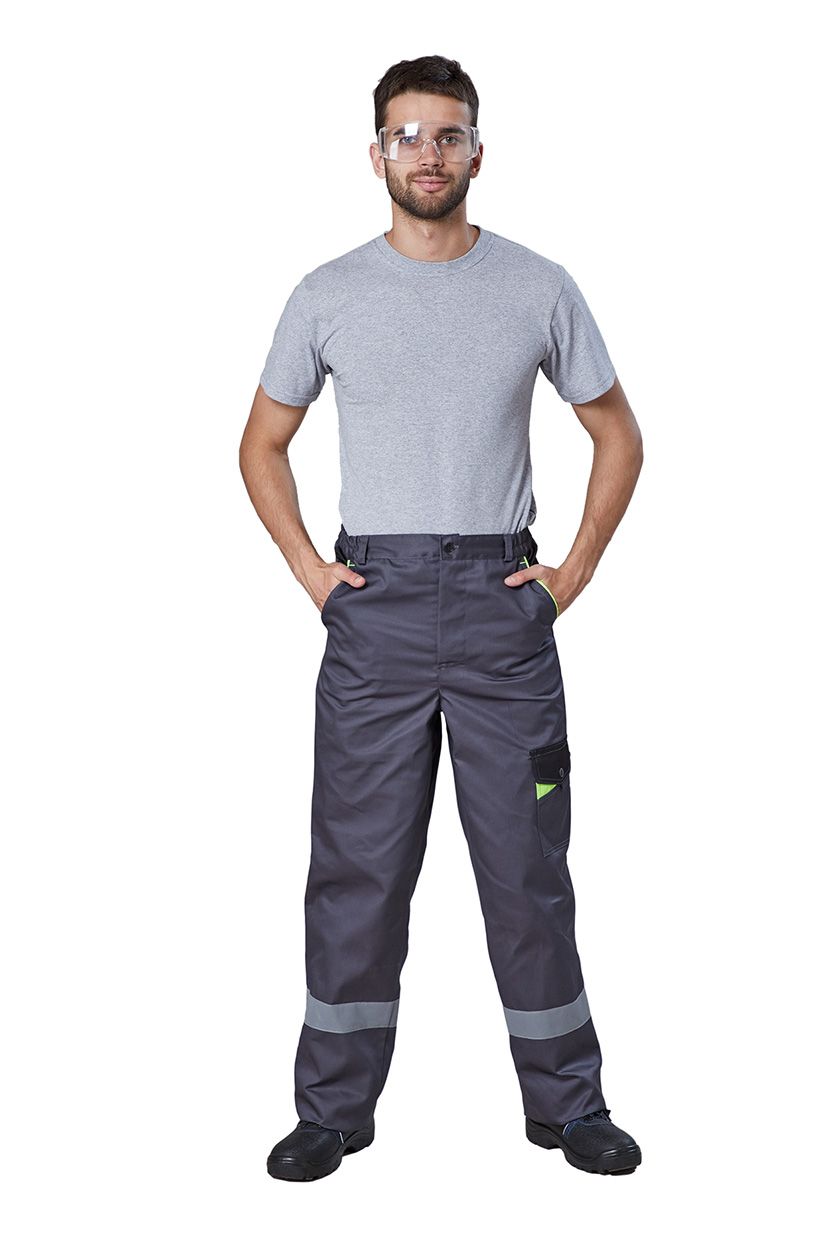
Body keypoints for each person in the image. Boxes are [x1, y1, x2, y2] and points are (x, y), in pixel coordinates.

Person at [239, 55, 644, 1183]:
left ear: (478, 151)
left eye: (449, 134)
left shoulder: (538, 287)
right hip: (372, 608)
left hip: (500, 609)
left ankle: (569, 1106)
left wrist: (570, 575)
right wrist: (314, 574)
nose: (428, 152)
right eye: (407, 135)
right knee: (356, 869)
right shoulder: (327, 293)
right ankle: (333, 1110)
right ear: (375, 154)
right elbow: (260, 444)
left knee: (528, 868)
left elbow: (618, 433)